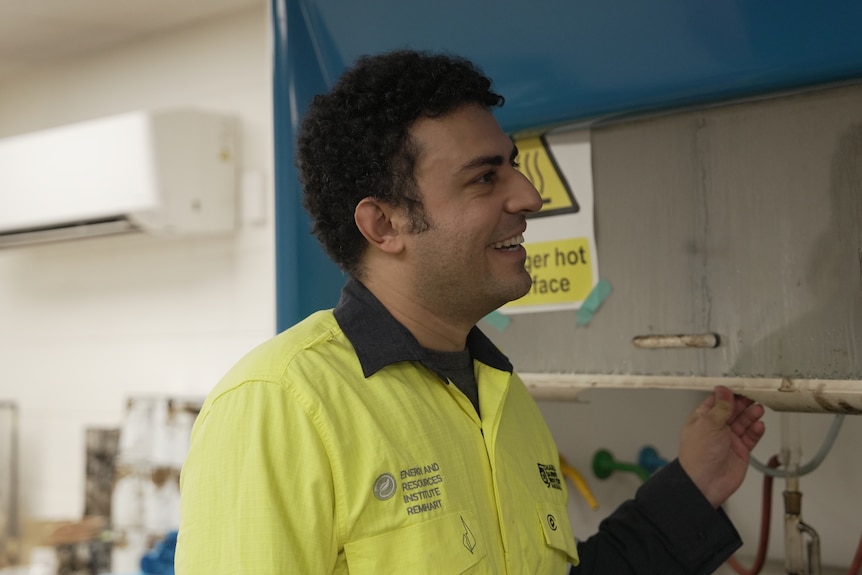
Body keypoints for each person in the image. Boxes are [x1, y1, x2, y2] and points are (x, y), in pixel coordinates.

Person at [175, 49, 766, 574]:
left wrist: (693, 487)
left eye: (510, 165)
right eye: (486, 178)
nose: (529, 196)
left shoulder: (500, 397)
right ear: (384, 224)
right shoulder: (280, 406)